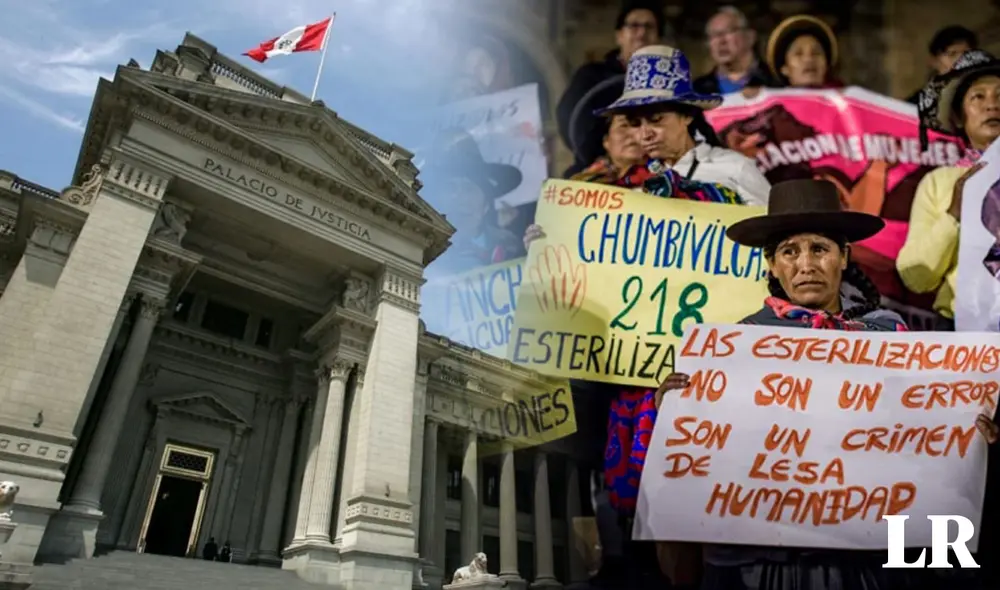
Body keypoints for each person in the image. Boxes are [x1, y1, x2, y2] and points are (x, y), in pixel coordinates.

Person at [654, 178, 999, 590]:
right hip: (766, 559)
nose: (806, 264)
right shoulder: (733, 348)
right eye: (789, 251)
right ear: (772, 264)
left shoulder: (891, 336)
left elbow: (926, 436)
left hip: (870, 555)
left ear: (844, 257)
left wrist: (971, 433)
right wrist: (676, 409)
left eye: (820, 249)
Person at [896, 49, 1000, 330]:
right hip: (960, 332)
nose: (992, 105)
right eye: (978, 97)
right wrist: (954, 212)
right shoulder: (939, 182)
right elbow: (916, 275)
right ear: (959, 116)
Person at [557, 0, 669, 177]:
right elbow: (568, 120)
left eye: (649, 27)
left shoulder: (670, 83)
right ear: (619, 35)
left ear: (659, 38)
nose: (641, 33)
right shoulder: (591, 75)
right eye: (633, 25)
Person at [418, 128, 524, 275]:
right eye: (450, 188)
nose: (459, 198)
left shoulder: (511, 247)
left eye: (469, 189)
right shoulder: (418, 248)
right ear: (438, 199)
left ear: (486, 204)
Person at [693, 6, 777, 96]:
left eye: (728, 31)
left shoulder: (775, 82)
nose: (721, 41)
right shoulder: (696, 91)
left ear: (750, 37)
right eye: (714, 35)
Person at [905, 25, 979, 104]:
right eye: (952, 54)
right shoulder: (914, 105)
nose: (961, 61)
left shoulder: (984, 100)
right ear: (934, 61)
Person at [765, 15, 843, 89]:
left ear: (826, 66)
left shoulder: (846, 100)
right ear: (784, 69)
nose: (809, 59)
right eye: (798, 53)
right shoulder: (773, 103)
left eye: (816, 53)